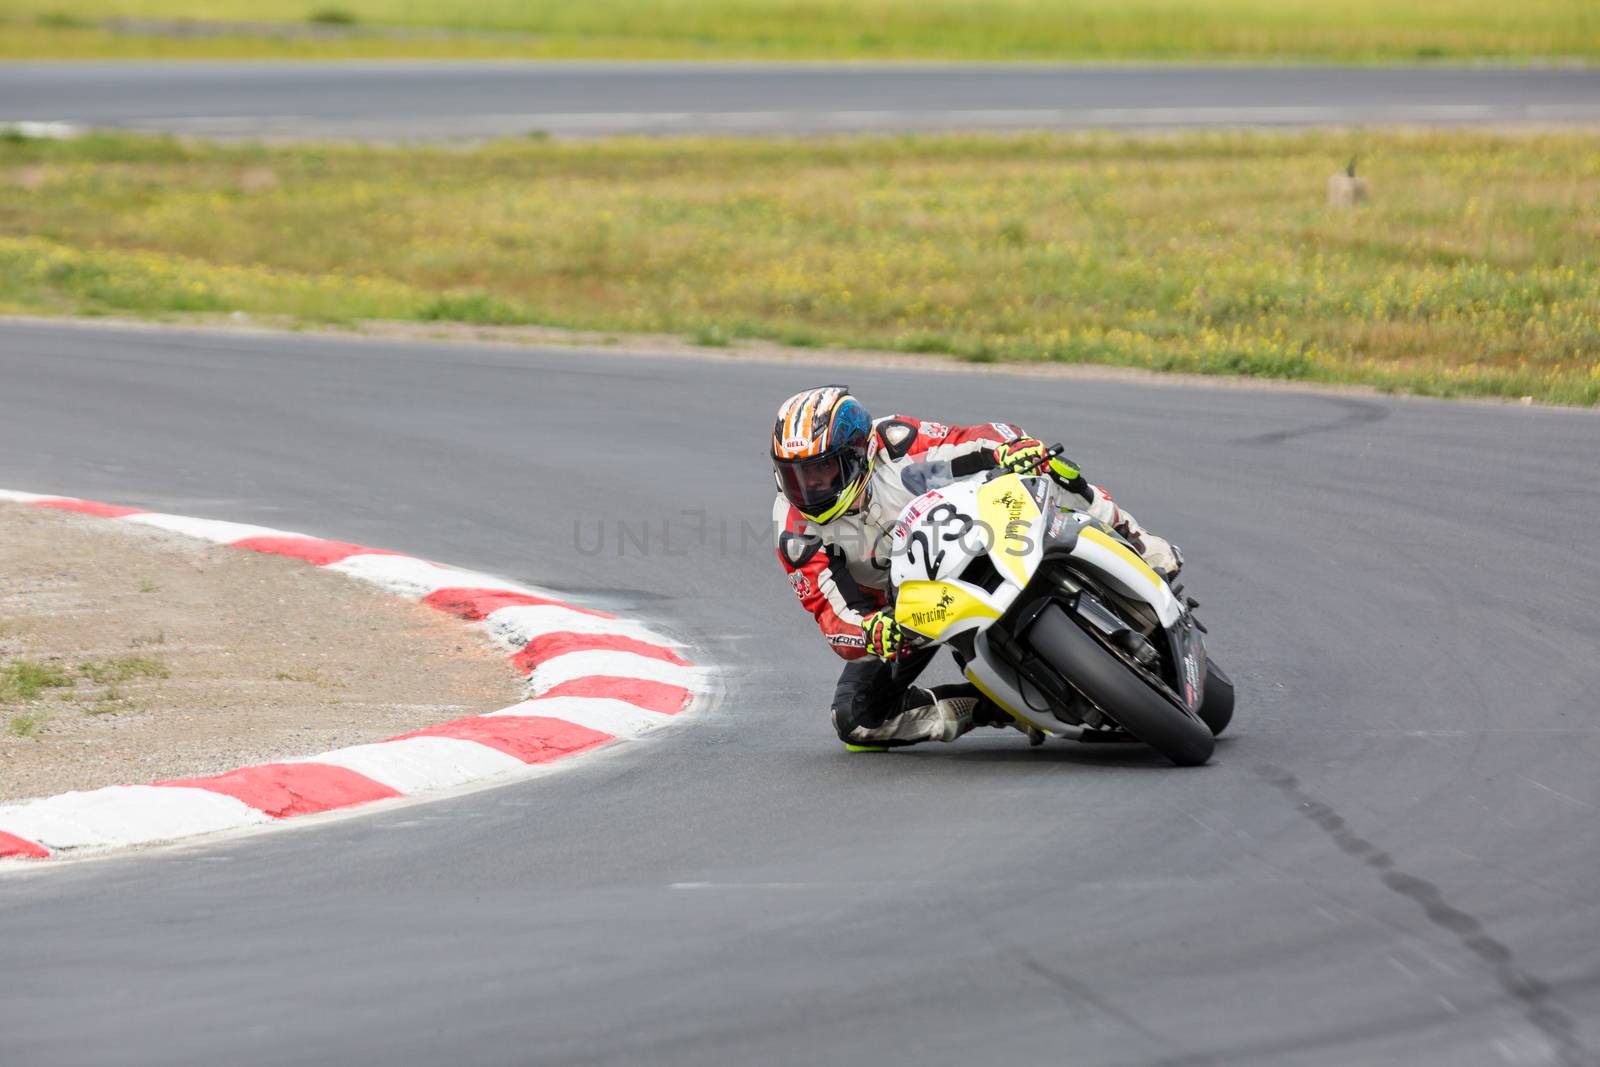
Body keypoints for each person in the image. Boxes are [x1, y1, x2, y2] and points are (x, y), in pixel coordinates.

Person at [771, 384, 1181, 751]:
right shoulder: (795, 531)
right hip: (910, 611)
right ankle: (996, 706)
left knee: (1048, 466)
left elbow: (966, 441)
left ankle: (1140, 542)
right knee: (856, 721)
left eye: (822, 471)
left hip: (973, 533)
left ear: (860, 454)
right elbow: (833, 616)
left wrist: (1008, 450)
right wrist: (872, 632)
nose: (809, 489)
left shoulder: (896, 444)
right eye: (796, 476)